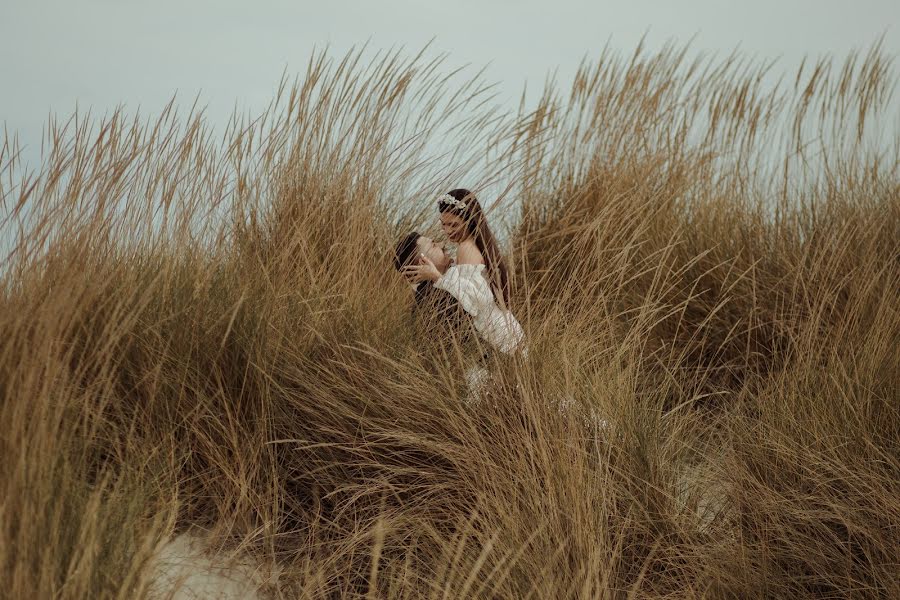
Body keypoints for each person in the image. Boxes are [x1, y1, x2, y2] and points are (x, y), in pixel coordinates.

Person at [402, 189, 526, 355]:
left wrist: (438, 277)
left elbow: (476, 300)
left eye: (454, 225)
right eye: (443, 224)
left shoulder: (466, 248)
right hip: (502, 330)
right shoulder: (473, 244)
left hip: (497, 335)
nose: (447, 231)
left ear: (470, 222)